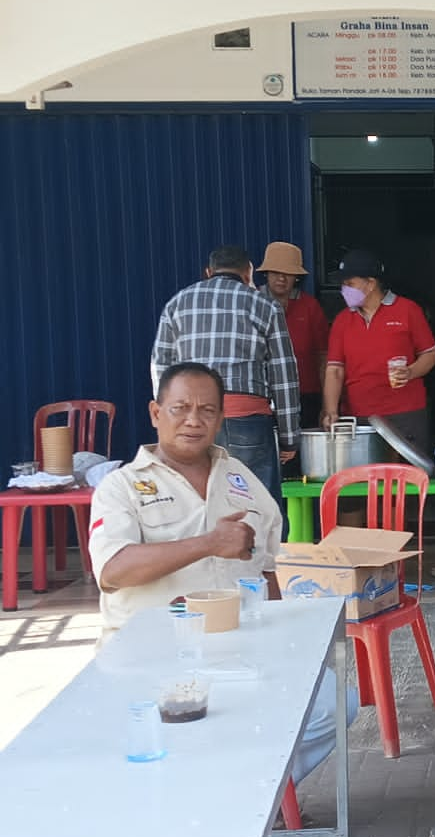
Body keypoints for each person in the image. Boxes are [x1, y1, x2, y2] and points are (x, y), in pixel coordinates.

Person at [87, 362, 358, 782]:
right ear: (156, 413)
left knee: (335, 700)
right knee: (186, 739)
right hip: (151, 660)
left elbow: (268, 573)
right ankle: (224, 792)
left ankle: (258, 792)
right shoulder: (121, 487)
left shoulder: (242, 479)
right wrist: (209, 543)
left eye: (208, 410)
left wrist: (284, 644)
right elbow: (113, 571)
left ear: (221, 418)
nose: (194, 420)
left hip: (239, 655)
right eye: (180, 408)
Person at [151, 244, 299, 518]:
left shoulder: (177, 303)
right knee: (258, 507)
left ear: (208, 272)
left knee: (197, 505)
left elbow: (161, 369)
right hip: (247, 422)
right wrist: (290, 438)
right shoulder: (265, 306)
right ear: (248, 273)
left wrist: (169, 422)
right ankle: (263, 561)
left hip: (190, 420)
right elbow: (284, 375)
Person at [321, 249, 435, 454]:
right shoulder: (342, 320)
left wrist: (410, 372)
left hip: (405, 415)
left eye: (349, 284)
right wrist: (331, 410)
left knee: (408, 479)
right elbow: (335, 371)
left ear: (371, 283)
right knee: (364, 481)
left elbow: (430, 355)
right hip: (358, 417)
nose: (343, 290)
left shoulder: (408, 310)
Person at [257, 241, 329, 433]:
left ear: (296, 277)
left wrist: (327, 405)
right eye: (275, 272)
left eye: (288, 273)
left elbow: (323, 357)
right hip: (263, 397)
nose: (281, 278)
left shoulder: (310, 307)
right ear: (266, 273)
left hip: (307, 397)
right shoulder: (252, 303)